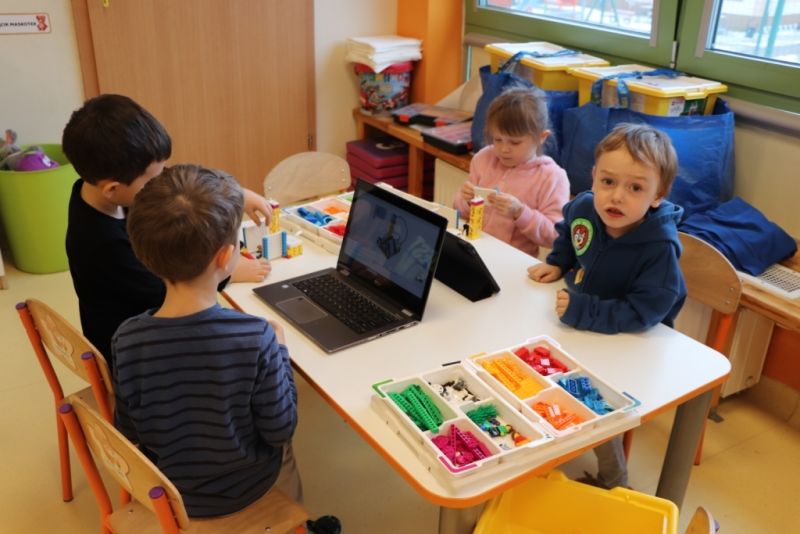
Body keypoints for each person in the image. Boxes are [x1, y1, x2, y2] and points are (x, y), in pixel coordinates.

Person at [113, 164, 301, 517]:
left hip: (169, 492)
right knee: (287, 456)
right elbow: (280, 430)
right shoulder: (256, 339)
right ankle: (291, 518)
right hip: (246, 489)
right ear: (226, 257)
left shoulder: (127, 338)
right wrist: (280, 352)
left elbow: (128, 428)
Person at [528, 123, 688, 489]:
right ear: (594, 177)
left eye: (635, 188)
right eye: (608, 181)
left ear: (658, 195)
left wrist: (585, 311)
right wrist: (560, 262)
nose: (616, 197)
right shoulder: (586, 206)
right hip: (582, 324)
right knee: (538, 369)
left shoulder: (659, 248)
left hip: (632, 342)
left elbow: (643, 313)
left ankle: (615, 481)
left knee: (595, 401)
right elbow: (571, 232)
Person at [63, 94, 272, 365]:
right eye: (154, 177)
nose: (164, 180)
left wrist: (235, 193)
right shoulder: (100, 244)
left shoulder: (106, 191)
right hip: (134, 353)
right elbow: (174, 288)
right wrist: (225, 273)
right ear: (113, 189)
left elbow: (177, 183)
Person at [453, 86, 569, 258]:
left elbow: (555, 235)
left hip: (514, 262)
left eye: (515, 142)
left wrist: (520, 212)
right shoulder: (483, 158)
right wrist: (465, 200)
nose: (504, 149)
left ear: (541, 137)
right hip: (474, 252)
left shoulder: (552, 177)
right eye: (497, 139)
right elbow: (459, 211)